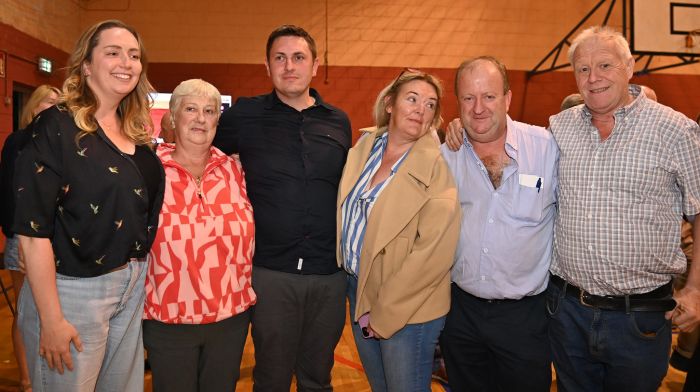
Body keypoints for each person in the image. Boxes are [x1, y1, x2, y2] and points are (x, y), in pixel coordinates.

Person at [545, 26, 700, 391]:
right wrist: (460, 130)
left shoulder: (675, 130)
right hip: (566, 311)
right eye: (583, 69)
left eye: (605, 65)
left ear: (629, 67)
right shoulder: (558, 127)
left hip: (640, 318)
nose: (593, 77)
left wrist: (694, 289)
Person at [12, 20, 164, 392]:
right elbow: (31, 233)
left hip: (131, 285)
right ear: (86, 65)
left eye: (133, 55)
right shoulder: (55, 127)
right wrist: (51, 319)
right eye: (112, 53)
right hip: (72, 290)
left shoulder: (137, 134)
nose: (126, 62)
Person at [213, 25, 351, 391]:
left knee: (317, 377)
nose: (289, 66)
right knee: (271, 377)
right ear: (267, 65)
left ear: (315, 65)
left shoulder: (338, 122)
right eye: (280, 58)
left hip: (328, 273)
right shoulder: (244, 116)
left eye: (299, 57)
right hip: (271, 272)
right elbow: (198, 150)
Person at [439, 56, 558, 392]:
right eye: (468, 98)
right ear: (458, 102)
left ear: (507, 98)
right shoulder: (444, 157)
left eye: (489, 96)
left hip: (525, 318)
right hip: (461, 313)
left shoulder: (547, 149)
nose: (478, 108)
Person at [338, 69, 460, 391]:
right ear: (390, 104)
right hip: (359, 288)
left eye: (430, 104)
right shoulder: (365, 147)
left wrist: (386, 312)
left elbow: (434, 251)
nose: (421, 109)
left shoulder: (435, 164)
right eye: (413, 99)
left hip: (407, 303)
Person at [142, 79, 256, 392]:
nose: (200, 118)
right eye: (191, 109)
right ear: (173, 117)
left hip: (229, 318)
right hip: (169, 318)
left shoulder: (235, 171)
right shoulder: (149, 171)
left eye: (209, 111)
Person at [0, 84, 60, 392]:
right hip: (22, 240)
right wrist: (16, 236)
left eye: (57, 103)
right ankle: (26, 379)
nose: (52, 106)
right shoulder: (18, 141)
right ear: (32, 107)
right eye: (46, 101)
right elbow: (9, 193)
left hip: (56, 244)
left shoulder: (64, 142)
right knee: (26, 311)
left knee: (51, 312)